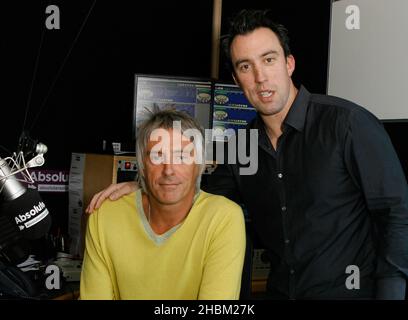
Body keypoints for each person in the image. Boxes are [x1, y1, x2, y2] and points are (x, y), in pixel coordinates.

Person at [87, 9, 408, 299]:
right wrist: (142, 184)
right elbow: (195, 191)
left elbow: (396, 213)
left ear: (289, 63)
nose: (260, 76)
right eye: (245, 66)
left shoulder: (347, 125)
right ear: (237, 79)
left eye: (268, 60)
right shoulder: (242, 148)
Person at [80, 108, 246, 299]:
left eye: (181, 157)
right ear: (142, 165)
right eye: (157, 156)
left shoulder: (223, 218)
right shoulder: (105, 215)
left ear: (199, 165)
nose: (169, 170)